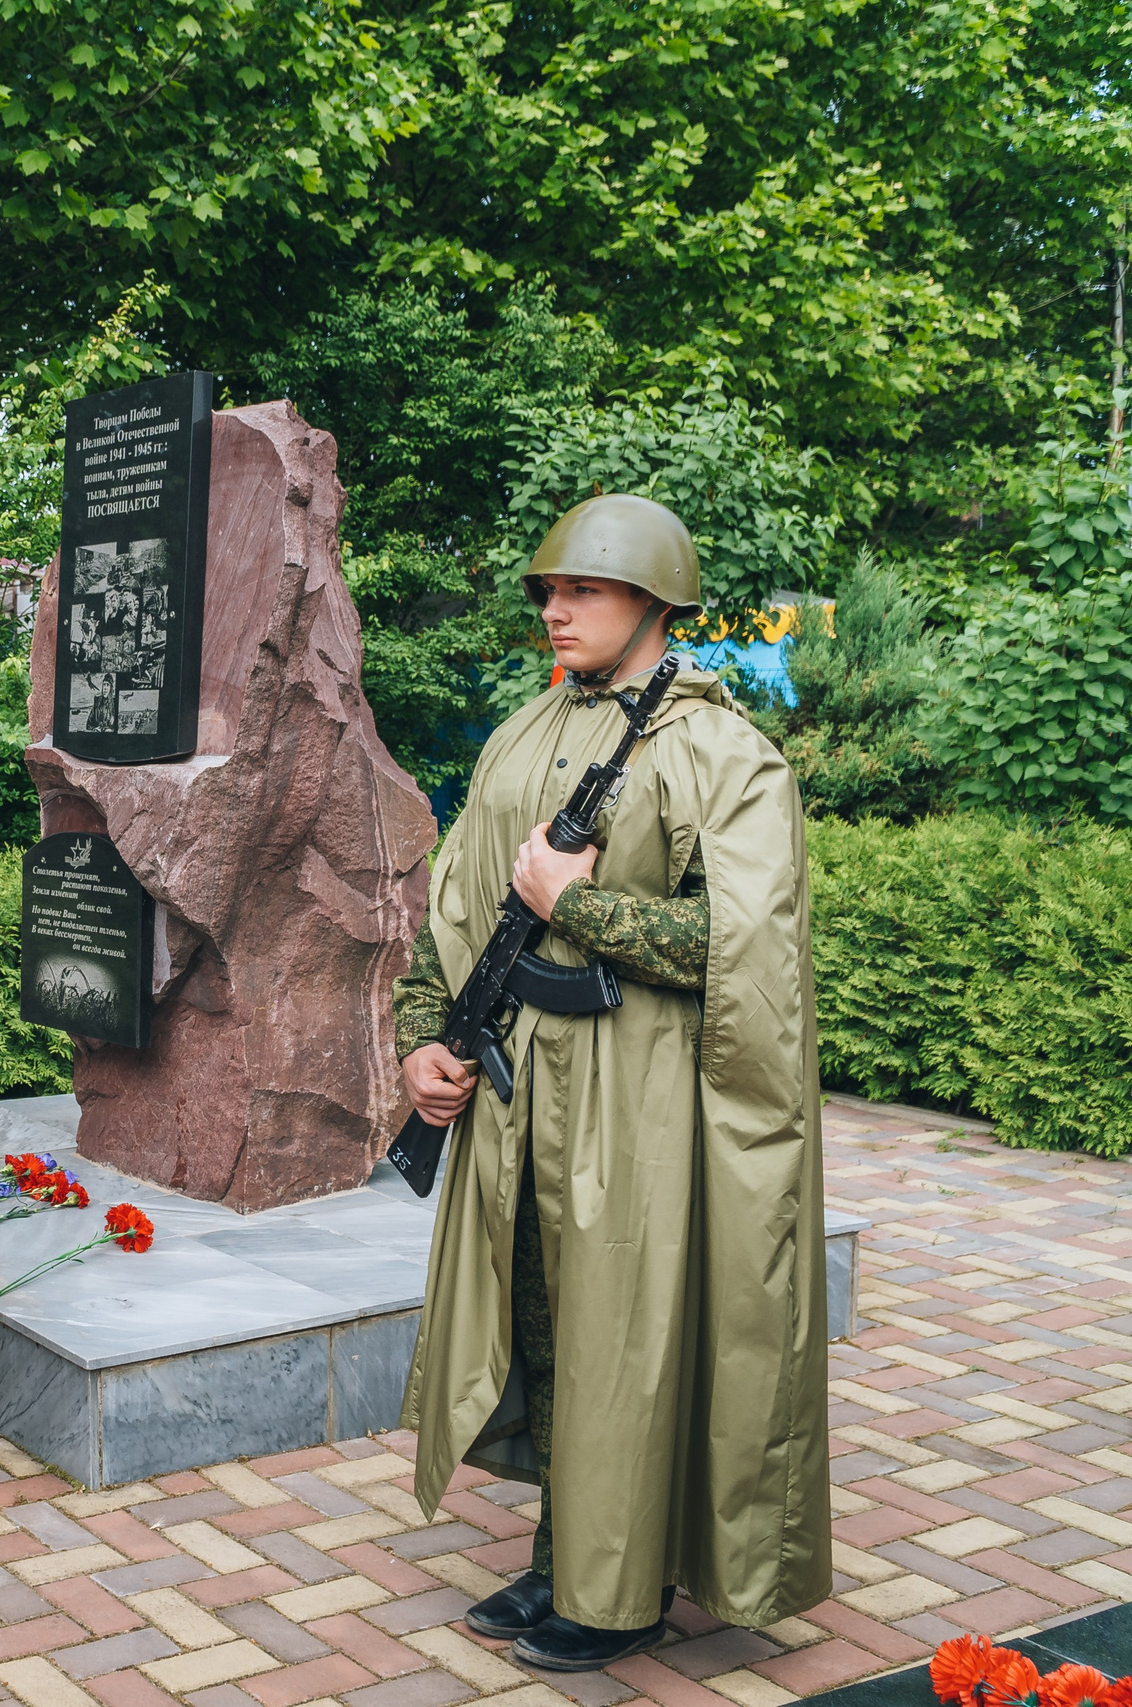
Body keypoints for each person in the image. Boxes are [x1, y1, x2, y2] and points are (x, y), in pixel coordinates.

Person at [392, 495, 828, 1671]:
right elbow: (454, 913)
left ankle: (621, 1591)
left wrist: (577, 905)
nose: (554, 608)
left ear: (651, 599)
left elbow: (747, 947)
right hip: (516, 1081)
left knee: (621, 1336)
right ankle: (567, 1553)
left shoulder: (721, 752)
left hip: (643, 1100)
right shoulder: (521, 734)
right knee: (542, 1322)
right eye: (546, 590)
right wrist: (425, 1038)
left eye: (579, 590)